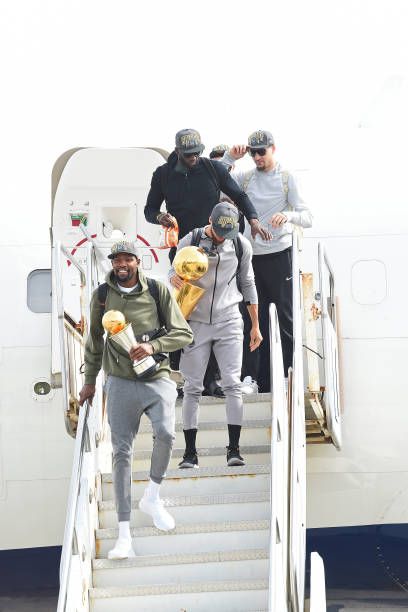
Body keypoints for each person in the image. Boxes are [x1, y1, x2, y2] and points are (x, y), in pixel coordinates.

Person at [78, 240, 193, 560]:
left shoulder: (157, 290)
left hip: (157, 378)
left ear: (137, 262)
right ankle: (124, 536)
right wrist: (89, 382)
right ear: (113, 263)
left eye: (127, 259)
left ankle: (153, 496)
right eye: (117, 260)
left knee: (167, 434)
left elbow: (184, 333)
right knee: (121, 455)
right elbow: (94, 342)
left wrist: (153, 347)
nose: (122, 265)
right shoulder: (102, 296)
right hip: (120, 382)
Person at [144, 129, 270, 397]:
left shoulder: (212, 170)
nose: (194, 158)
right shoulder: (163, 175)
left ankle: (213, 379)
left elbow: (240, 195)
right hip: (185, 253)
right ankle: (184, 378)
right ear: (177, 151)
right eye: (188, 154)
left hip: (215, 249)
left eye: (197, 153)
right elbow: (149, 210)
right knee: (183, 314)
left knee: (214, 310)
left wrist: (255, 220)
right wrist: (160, 217)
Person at [169, 203, 262, 468]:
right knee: (192, 387)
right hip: (196, 321)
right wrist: (173, 279)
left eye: (227, 232)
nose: (222, 237)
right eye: (219, 230)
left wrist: (255, 325)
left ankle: (234, 449)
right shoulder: (193, 238)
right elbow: (173, 270)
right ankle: (190, 453)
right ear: (210, 220)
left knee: (232, 383)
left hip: (229, 318)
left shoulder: (241, 245)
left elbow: (248, 282)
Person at [221, 130, 313, 392]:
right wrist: (230, 157)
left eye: (262, 151)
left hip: (279, 254)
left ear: (273, 149)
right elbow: (216, 183)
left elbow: (307, 216)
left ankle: (287, 375)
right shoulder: (246, 177)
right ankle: (252, 377)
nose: (257, 157)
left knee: (284, 317)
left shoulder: (286, 178)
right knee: (252, 318)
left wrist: (288, 215)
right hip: (252, 257)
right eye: (253, 152)